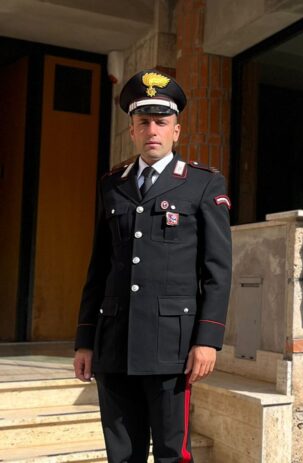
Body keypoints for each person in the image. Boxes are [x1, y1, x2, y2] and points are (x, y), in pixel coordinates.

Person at [72, 69, 232, 463]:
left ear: (176, 130)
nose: (152, 130)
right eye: (144, 122)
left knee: (170, 453)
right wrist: (85, 339)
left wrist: (207, 339)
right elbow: (99, 267)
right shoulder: (112, 184)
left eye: (162, 122)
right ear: (132, 131)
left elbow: (217, 269)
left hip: (171, 346)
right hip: (114, 343)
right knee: (121, 453)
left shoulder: (202, 184)